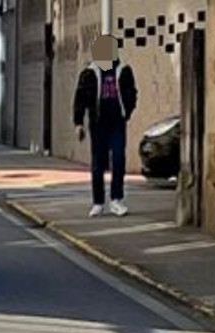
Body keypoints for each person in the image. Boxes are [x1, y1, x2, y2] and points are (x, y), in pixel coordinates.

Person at [73, 35, 137, 217]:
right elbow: (80, 99)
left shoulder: (123, 71)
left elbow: (132, 93)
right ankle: (98, 202)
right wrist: (79, 123)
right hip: (98, 123)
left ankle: (117, 199)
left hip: (117, 122)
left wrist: (127, 112)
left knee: (118, 159)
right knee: (98, 163)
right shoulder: (89, 73)